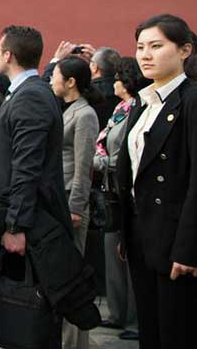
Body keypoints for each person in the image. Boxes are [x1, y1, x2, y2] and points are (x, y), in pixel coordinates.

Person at [0, 25, 71, 346]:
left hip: (33, 226)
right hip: (29, 219)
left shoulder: (31, 96)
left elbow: (26, 167)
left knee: (31, 315)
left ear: (8, 54)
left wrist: (16, 225)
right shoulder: (31, 91)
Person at [117, 14, 197, 349]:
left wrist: (189, 247)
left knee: (175, 332)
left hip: (175, 237)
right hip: (142, 233)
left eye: (156, 46)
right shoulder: (142, 102)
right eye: (140, 47)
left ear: (184, 50)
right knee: (150, 329)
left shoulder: (191, 100)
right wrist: (126, 230)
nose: (145, 54)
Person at [93, 56, 147, 341]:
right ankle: (117, 312)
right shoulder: (118, 109)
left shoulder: (136, 108)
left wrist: (103, 162)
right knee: (112, 251)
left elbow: (125, 150)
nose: (111, 82)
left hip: (123, 188)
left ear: (125, 81)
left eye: (115, 78)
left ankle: (135, 320)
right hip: (110, 189)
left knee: (127, 254)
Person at [50, 57, 100, 349]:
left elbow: (84, 167)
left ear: (70, 82)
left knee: (72, 280)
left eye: (55, 75)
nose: (52, 80)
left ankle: (75, 343)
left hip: (71, 204)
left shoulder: (85, 115)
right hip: (60, 201)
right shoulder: (68, 111)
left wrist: (75, 208)